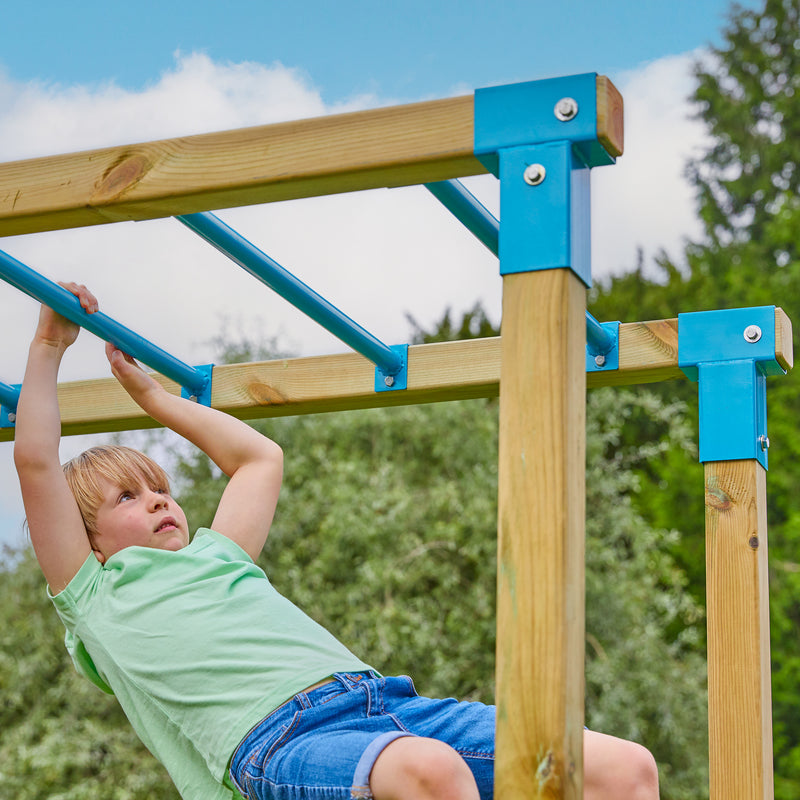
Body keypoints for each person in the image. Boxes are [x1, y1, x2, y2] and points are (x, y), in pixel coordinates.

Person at [14, 282, 660, 800]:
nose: (158, 499)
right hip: (278, 742)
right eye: (127, 498)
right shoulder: (93, 593)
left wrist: (155, 399)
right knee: (431, 776)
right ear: (91, 543)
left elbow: (260, 459)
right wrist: (48, 345)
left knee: (624, 770)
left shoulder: (217, 553)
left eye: (160, 488)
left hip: (385, 701)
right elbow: (37, 462)